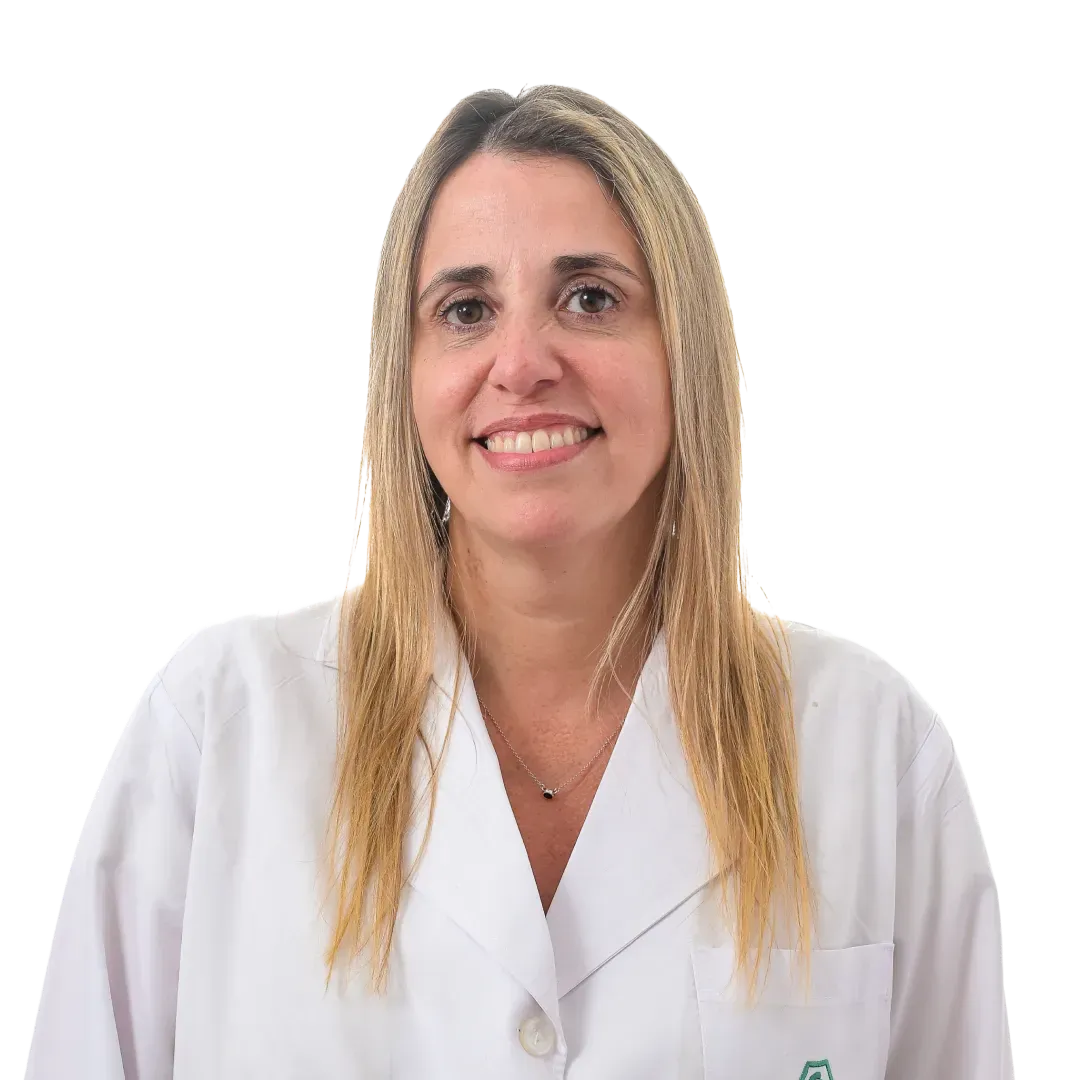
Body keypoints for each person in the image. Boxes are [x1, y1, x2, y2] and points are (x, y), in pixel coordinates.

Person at [27, 83, 1012, 1078]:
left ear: (685, 351)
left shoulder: (870, 748)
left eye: (591, 298)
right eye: (466, 310)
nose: (522, 363)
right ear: (406, 374)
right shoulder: (217, 729)